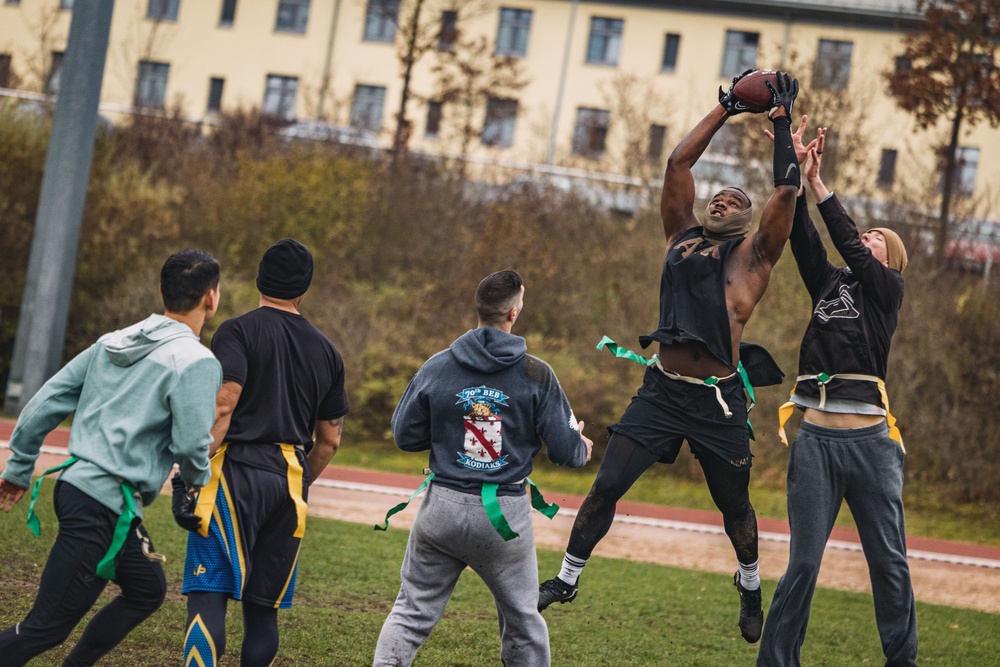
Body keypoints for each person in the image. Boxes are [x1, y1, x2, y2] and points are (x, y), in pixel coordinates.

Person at [538, 70, 803, 644]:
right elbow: (679, 166)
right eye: (719, 193)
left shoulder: (754, 257)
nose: (722, 196)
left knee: (734, 507)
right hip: (662, 391)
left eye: (735, 198)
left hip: (718, 404)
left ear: (744, 219)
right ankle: (566, 579)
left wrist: (779, 122)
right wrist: (728, 108)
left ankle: (750, 582)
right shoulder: (680, 234)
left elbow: (786, 192)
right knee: (606, 485)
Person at [0, 249, 222, 666]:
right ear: (211, 298)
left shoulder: (111, 341)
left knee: (147, 590)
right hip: (100, 506)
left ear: (161, 291)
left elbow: (44, 402)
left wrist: (19, 467)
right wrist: (194, 483)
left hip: (82, 491)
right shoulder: (196, 361)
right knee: (44, 629)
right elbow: (193, 445)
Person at [372, 269, 593, 667]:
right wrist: (580, 443)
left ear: (479, 309)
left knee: (409, 615)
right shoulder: (537, 373)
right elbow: (566, 452)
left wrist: (447, 434)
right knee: (523, 623)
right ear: (513, 313)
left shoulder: (437, 366)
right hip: (503, 518)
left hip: (441, 508)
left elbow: (404, 434)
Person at [755, 128, 918, 667]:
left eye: (876, 236)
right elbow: (806, 240)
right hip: (817, 443)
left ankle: (903, 661)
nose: (864, 236)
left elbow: (845, 239)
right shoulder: (830, 284)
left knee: (888, 562)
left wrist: (823, 184)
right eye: (865, 232)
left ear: (889, 260)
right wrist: (797, 179)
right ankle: (777, 662)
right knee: (802, 563)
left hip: (870, 446)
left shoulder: (887, 291)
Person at [182, 238, 348, 667]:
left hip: (234, 471)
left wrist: (189, 471)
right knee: (263, 610)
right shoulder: (327, 350)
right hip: (291, 481)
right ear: (304, 288)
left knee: (208, 594)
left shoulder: (237, 330)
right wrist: (298, 477)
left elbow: (224, 405)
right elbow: (329, 441)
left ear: (259, 278)